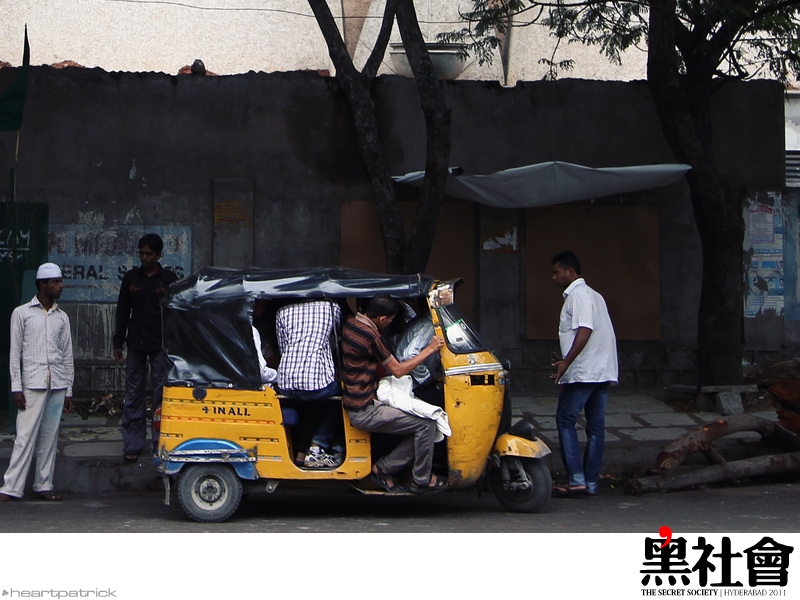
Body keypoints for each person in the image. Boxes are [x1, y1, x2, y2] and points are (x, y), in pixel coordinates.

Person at [341, 294, 446, 493]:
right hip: (365, 409)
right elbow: (398, 370)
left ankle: (393, 469)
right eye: (390, 320)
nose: (390, 323)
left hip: (360, 401)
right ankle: (418, 478)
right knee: (427, 425)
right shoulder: (371, 336)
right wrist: (430, 349)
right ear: (382, 319)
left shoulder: (351, 324)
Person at [0, 263, 74, 502]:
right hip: (32, 383)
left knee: (49, 438)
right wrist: (16, 387)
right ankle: (11, 488)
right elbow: (15, 354)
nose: (61, 286)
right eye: (56, 282)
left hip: (57, 384)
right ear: (43, 285)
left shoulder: (62, 317)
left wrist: (69, 390)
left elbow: (67, 355)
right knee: (24, 437)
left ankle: (44, 485)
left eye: (60, 281)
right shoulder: (21, 313)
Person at [549, 250, 618, 497]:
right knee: (596, 427)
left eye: (557, 272)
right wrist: (565, 358)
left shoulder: (577, 295)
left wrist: (567, 361)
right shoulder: (595, 295)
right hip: (602, 369)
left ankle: (577, 479)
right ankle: (590, 482)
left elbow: (585, 329)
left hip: (584, 370)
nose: (554, 277)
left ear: (570, 271)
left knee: (565, 420)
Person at [113, 233, 178, 462]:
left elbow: (175, 313)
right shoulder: (131, 278)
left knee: (161, 395)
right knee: (133, 394)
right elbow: (123, 310)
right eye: (141, 253)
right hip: (136, 343)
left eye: (149, 254)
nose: (144, 257)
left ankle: (161, 443)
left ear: (159, 255)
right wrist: (118, 341)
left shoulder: (168, 279)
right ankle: (132, 444)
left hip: (161, 345)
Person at [275, 299, 343, 468]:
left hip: (286, 383)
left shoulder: (283, 311)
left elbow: (283, 348)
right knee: (340, 397)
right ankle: (318, 445)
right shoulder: (331, 307)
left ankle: (301, 452)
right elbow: (337, 337)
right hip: (316, 385)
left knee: (313, 404)